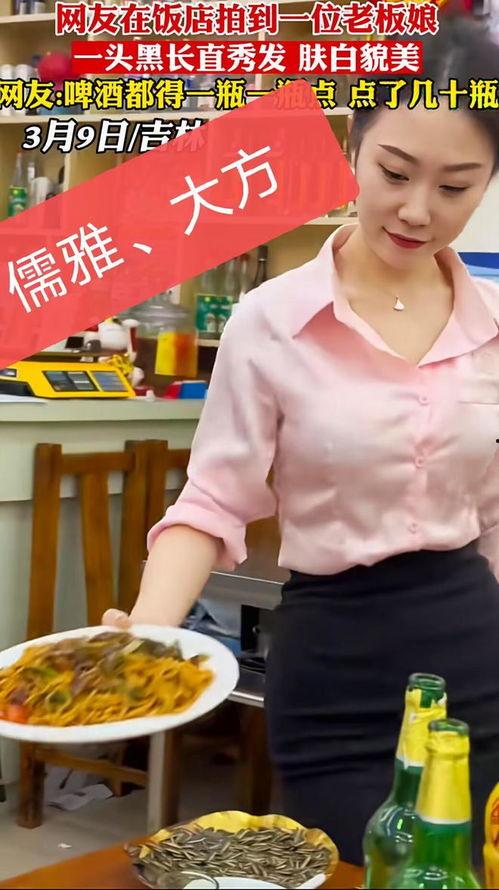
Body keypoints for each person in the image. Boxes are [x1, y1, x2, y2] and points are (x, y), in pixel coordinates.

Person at [104, 18, 499, 866]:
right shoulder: (271, 320)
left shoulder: (493, 323)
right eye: (394, 172)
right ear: (352, 143)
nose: (417, 210)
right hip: (334, 671)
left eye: (455, 186)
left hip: (475, 668)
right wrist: (146, 632)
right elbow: (213, 501)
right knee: (349, 868)